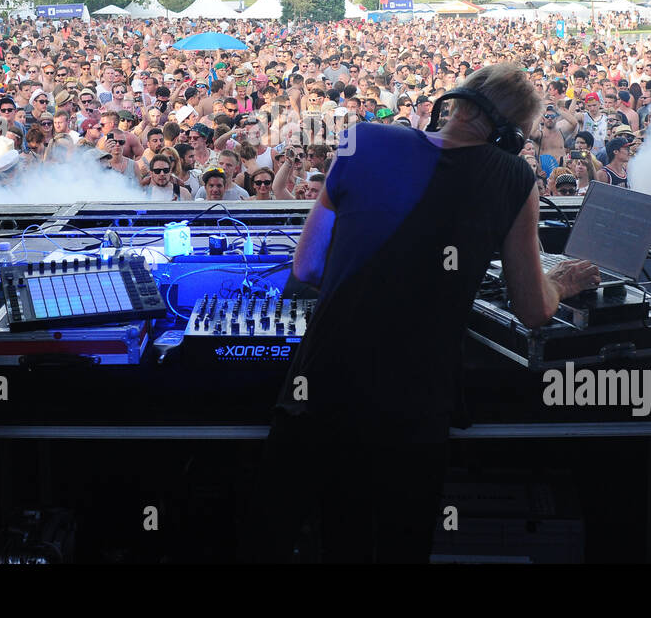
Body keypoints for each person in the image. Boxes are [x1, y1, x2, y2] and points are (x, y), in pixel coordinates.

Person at [246, 62, 599, 563]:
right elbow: (534, 308)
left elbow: (306, 265)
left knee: (307, 532)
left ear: (451, 104)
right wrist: (560, 284)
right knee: (397, 544)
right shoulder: (513, 177)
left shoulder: (360, 139)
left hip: (321, 382)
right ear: (507, 136)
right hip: (411, 404)